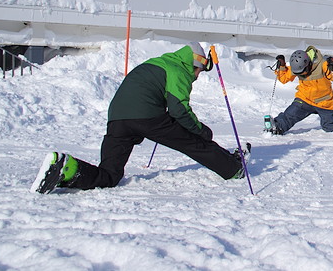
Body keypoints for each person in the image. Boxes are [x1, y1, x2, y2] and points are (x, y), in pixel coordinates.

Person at [32, 43, 246, 194]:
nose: (198, 76)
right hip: (147, 116)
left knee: (109, 175)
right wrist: (202, 131)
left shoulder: (158, 62)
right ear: (194, 62)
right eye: (199, 70)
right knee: (193, 142)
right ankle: (232, 168)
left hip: (117, 117)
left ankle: (67, 169)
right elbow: (179, 110)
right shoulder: (178, 70)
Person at [268, 45, 333, 135]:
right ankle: (276, 127)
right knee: (290, 115)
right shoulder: (298, 66)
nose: (301, 74)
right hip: (304, 99)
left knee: (330, 127)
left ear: (308, 64)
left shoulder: (323, 65)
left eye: (303, 72)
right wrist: (282, 66)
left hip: (324, 102)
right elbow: (284, 79)